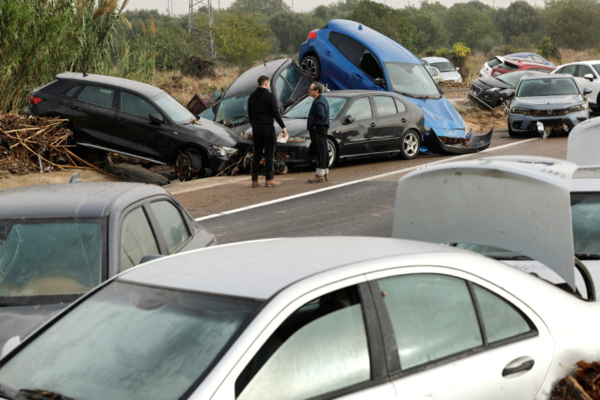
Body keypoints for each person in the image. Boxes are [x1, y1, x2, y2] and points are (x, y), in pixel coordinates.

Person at [248, 75, 288, 188]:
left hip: (256, 129)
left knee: (257, 154)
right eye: (269, 84)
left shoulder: (251, 97)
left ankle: (254, 179)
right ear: (266, 84)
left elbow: (250, 114)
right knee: (269, 153)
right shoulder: (269, 96)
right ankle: (269, 179)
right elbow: (275, 113)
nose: (269, 86)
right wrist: (283, 126)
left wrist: (255, 125)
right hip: (267, 128)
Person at [307, 82, 330, 183]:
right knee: (323, 149)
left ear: (317, 91)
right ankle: (324, 173)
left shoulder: (318, 102)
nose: (309, 90)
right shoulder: (322, 99)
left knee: (319, 151)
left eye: (311, 89)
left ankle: (320, 175)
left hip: (318, 129)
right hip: (322, 128)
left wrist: (315, 124)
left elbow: (321, 115)